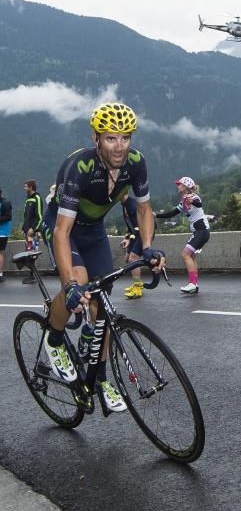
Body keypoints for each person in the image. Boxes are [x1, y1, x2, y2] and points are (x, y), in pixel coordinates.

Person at [41, 102, 164, 412]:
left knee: (103, 306)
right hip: (61, 225)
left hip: (93, 230)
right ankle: (54, 341)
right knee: (79, 282)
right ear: (96, 137)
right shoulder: (80, 167)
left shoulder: (136, 163)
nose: (119, 146)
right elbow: (61, 232)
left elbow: (144, 209)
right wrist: (69, 283)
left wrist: (147, 247)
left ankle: (100, 376)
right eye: (111, 138)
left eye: (125, 137)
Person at [155, 177, 209, 294]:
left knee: (185, 254)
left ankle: (192, 284)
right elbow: (172, 213)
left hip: (202, 231)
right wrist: (156, 215)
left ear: (185, 186)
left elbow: (199, 204)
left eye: (179, 184)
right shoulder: (183, 201)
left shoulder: (192, 196)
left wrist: (192, 201)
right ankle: (194, 284)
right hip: (199, 232)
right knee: (191, 256)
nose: (177, 186)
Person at [119, 192, 156, 299]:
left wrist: (130, 239)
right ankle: (136, 282)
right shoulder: (125, 204)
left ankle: (137, 287)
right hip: (137, 232)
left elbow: (141, 225)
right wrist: (127, 238)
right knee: (127, 258)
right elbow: (132, 225)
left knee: (133, 259)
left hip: (145, 232)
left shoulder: (131, 204)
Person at [21, 180, 45, 283]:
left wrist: (33, 228)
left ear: (31, 187)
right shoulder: (28, 199)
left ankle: (33, 276)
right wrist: (24, 228)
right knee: (29, 253)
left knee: (32, 254)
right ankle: (32, 274)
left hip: (33, 232)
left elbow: (39, 216)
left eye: (26, 187)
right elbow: (26, 216)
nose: (24, 188)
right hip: (27, 232)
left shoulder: (37, 198)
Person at [0, 187, 11, 282]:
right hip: (4, 233)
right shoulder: (5, 202)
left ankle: (0, 274)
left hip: (2, 233)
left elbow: (8, 217)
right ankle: (0, 274)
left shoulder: (4, 203)